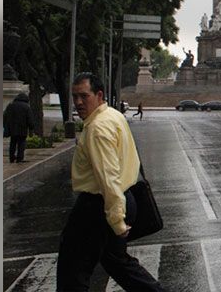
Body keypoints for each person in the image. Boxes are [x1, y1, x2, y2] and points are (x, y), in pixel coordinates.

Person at [56, 73, 164, 292]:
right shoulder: (113, 116)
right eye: (75, 96)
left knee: (72, 270)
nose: (78, 102)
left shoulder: (98, 128)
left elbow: (108, 178)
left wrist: (116, 220)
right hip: (125, 197)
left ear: (99, 95)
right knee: (119, 263)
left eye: (84, 96)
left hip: (99, 205)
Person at [3, 92, 33, 163]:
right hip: (22, 128)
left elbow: (4, 116)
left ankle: (11, 158)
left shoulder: (10, 105)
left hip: (12, 128)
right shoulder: (26, 107)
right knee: (21, 143)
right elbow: (29, 118)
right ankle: (20, 158)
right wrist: (31, 127)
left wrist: (5, 125)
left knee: (12, 143)